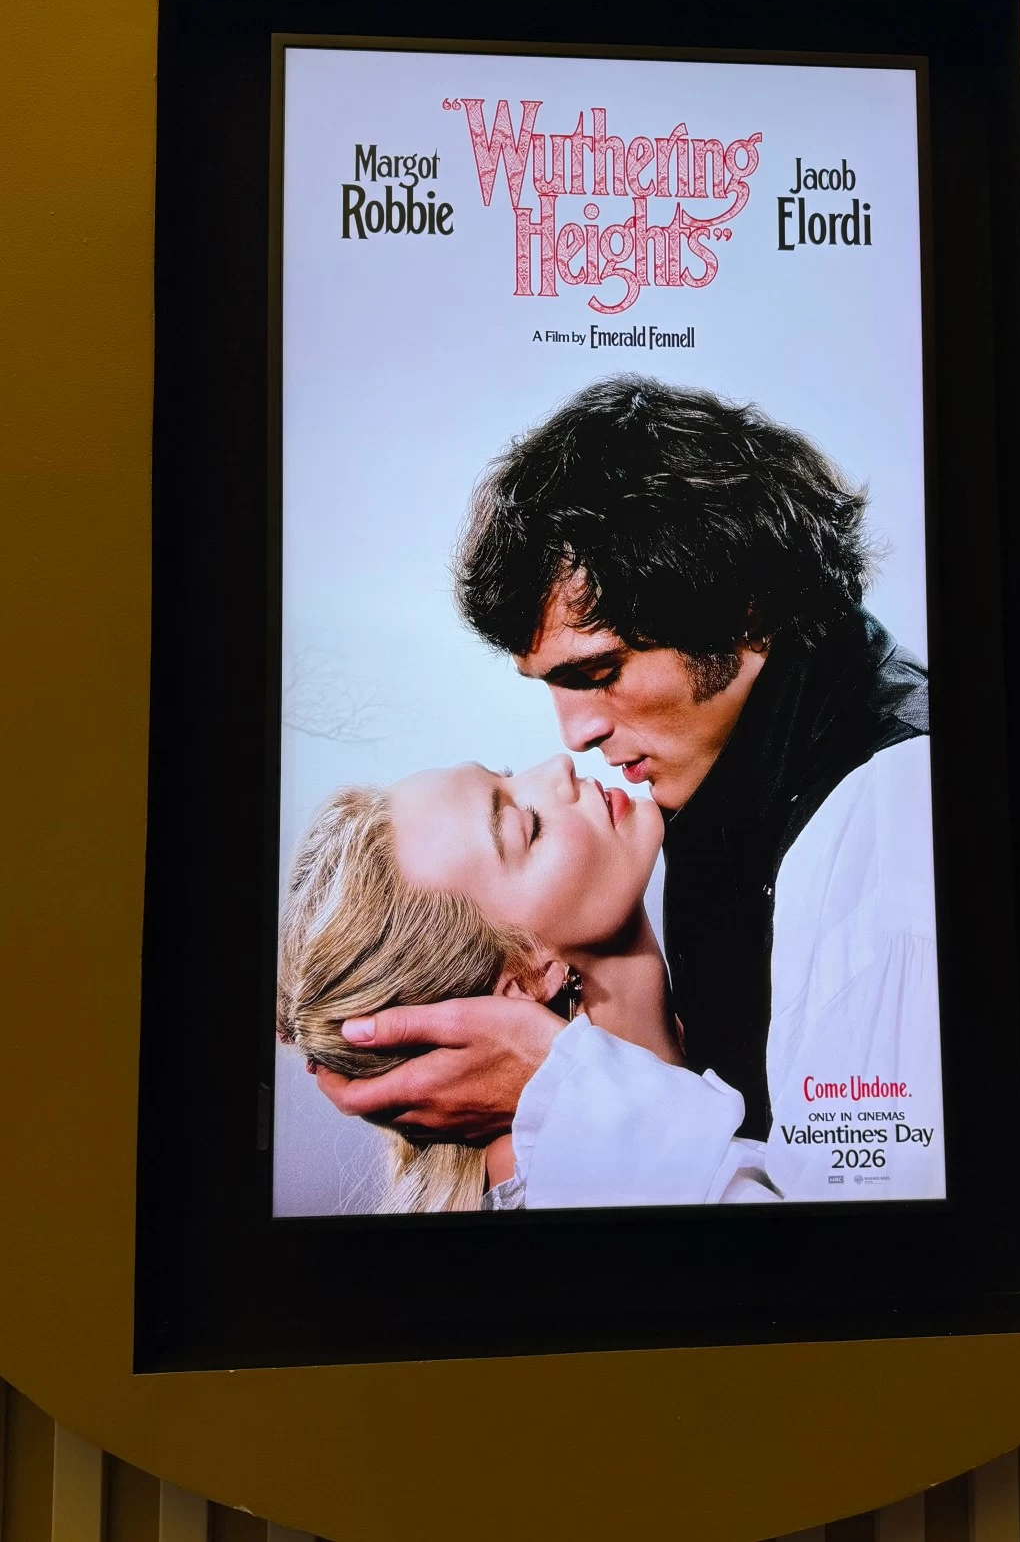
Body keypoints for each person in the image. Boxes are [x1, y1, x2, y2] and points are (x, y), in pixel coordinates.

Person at [315, 378, 944, 1206]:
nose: (572, 738)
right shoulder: (718, 801)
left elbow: (864, 1249)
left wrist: (567, 1093)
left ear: (740, 605)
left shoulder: (887, 825)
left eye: (601, 670)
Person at [280, 756, 775, 1210]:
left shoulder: (727, 1004)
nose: (559, 767)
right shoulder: (553, 1190)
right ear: (525, 978)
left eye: (508, 774)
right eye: (528, 827)